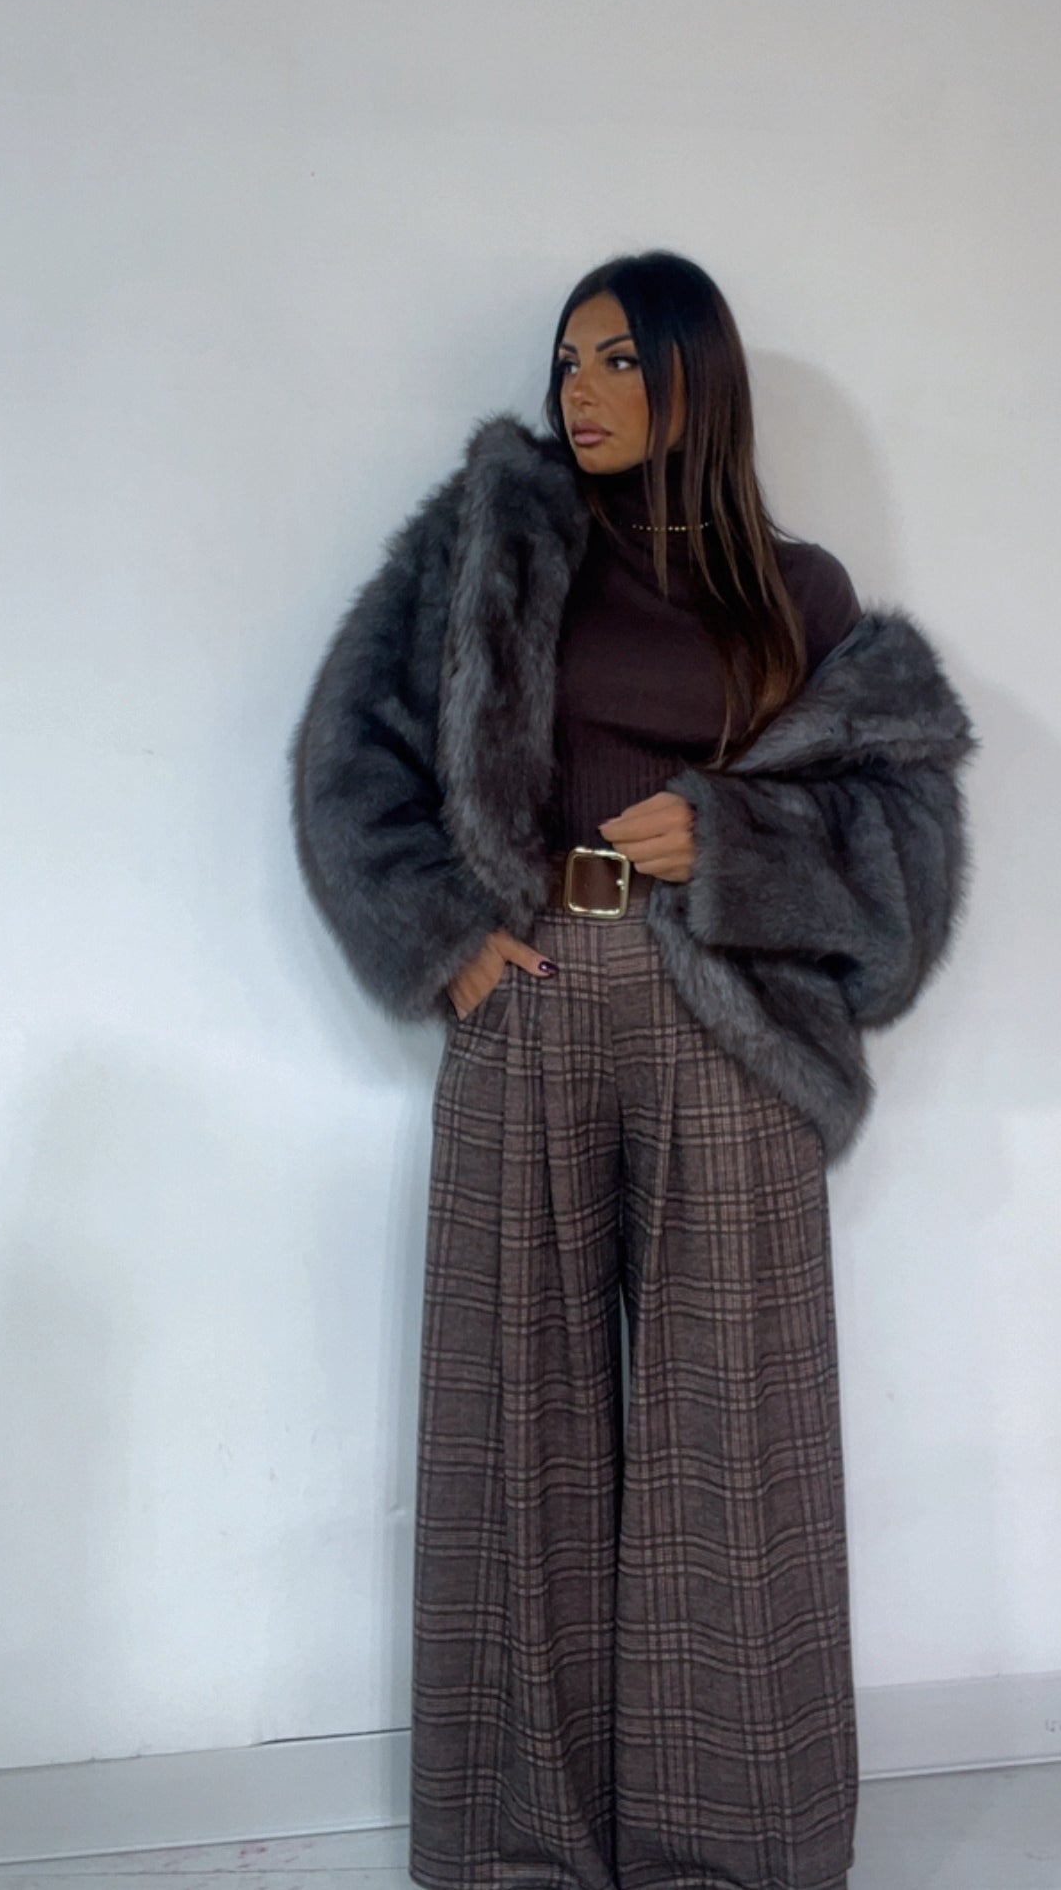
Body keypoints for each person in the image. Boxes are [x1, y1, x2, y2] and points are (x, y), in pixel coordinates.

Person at [288, 250, 978, 1890]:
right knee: (511, 1423)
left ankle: (730, 1849)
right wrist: (443, 933)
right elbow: (347, 758)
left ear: (693, 377)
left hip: (726, 1014)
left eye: (616, 360)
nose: (579, 391)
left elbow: (902, 839)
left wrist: (737, 841)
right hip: (529, 995)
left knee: (731, 1438)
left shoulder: (796, 592)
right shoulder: (495, 549)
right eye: (566, 361)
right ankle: (518, 1849)